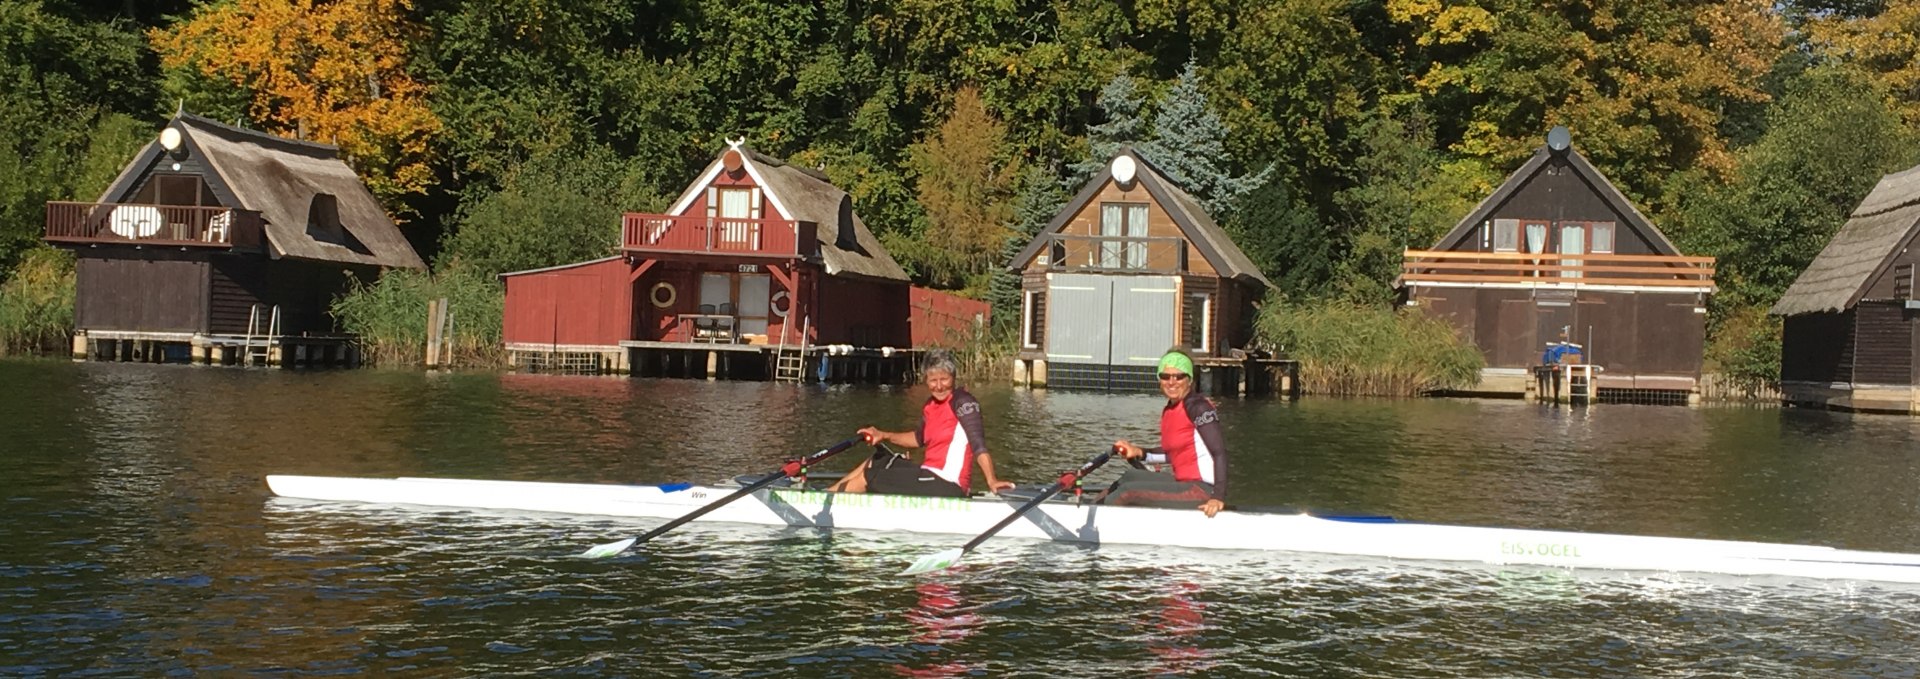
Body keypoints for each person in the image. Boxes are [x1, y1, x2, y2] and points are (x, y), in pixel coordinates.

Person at [829, 351, 1014, 497]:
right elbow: (918, 438)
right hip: (929, 475)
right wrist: (883, 435)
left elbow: (978, 444)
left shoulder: (964, 402)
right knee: (876, 461)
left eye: (944, 379)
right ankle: (826, 496)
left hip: (948, 483)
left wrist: (991, 480)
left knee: (868, 477)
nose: (939, 386)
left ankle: (824, 507)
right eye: (933, 381)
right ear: (926, 380)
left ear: (954, 377)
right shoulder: (930, 405)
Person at [1109, 348, 1228, 517]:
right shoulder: (1170, 409)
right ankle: (1095, 508)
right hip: (1184, 483)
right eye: (1165, 376)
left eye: (1179, 376)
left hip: (1203, 489)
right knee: (1129, 477)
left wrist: (1217, 497)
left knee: (1127, 492)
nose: (1171, 382)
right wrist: (1139, 452)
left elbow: (1219, 453)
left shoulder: (1199, 407)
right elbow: (1172, 455)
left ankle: (1095, 523)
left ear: (1189, 380)